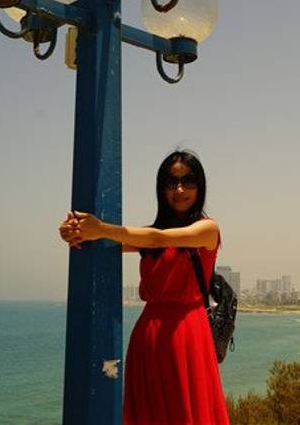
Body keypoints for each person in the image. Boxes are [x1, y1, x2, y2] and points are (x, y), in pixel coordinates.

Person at [58, 150, 230, 425]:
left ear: (201, 187)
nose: (180, 190)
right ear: (161, 189)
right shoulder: (150, 238)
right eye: (171, 182)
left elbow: (157, 238)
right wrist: (76, 232)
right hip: (149, 336)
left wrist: (101, 228)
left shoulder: (207, 229)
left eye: (188, 181)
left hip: (187, 334)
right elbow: (106, 246)